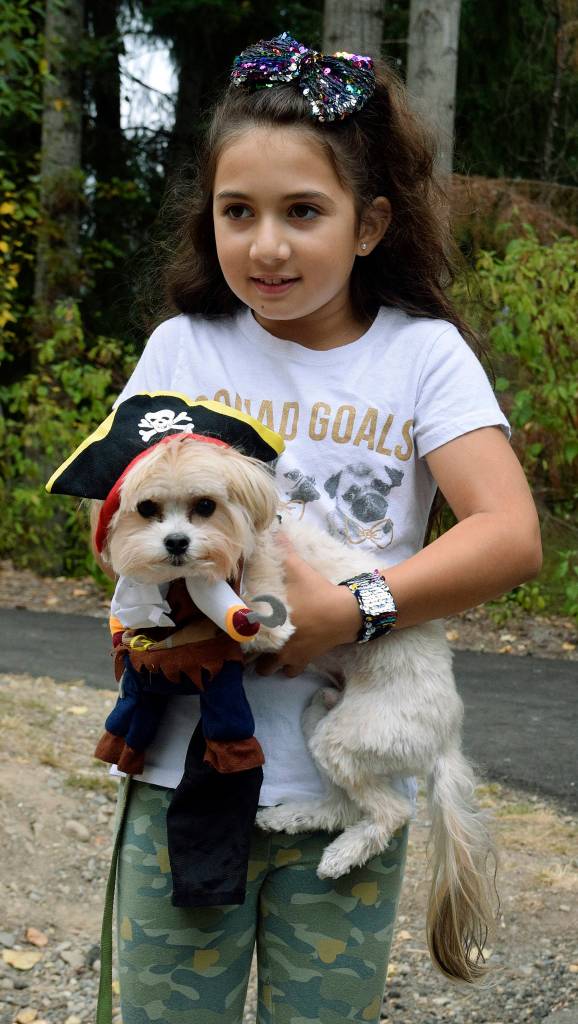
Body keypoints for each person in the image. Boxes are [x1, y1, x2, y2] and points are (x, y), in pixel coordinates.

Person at [96, 33, 542, 1024]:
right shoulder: (182, 349)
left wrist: (349, 610)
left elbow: (509, 533)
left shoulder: (420, 357)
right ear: (209, 216)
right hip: (183, 774)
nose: (267, 245)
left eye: (302, 211)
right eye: (238, 211)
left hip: (336, 782)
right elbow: (116, 509)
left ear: (369, 222)